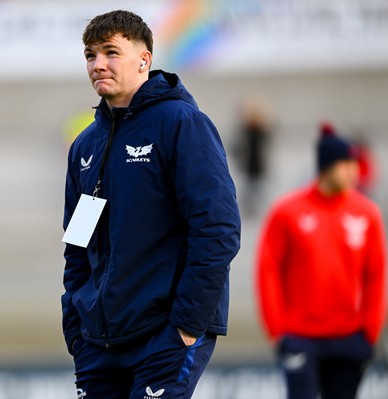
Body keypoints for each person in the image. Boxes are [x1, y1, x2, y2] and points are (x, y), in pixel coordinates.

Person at [61, 10, 240, 399]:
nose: (98, 64)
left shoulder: (181, 123)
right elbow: (77, 244)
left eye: (111, 52)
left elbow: (218, 229)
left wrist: (187, 324)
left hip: (164, 335)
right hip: (97, 342)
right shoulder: (84, 146)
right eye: (90, 55)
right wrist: (75, 326)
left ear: (144, 59)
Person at [255, 122, 388, 399]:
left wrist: (370, 331)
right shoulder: (287, 211)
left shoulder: (367, 213)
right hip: (300, 336)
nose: (355, 172)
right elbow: (268, 269)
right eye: (347, 164)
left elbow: (376, 274)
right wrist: (278, 330)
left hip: (349, 337)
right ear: (327, 167)